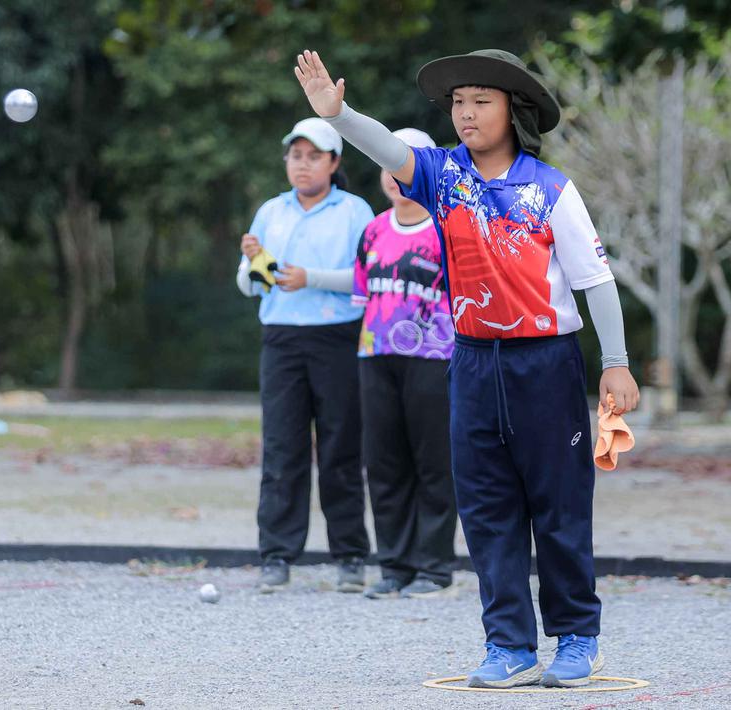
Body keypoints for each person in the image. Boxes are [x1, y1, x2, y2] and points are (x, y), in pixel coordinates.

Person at [294, 49, 640, 687]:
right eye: (458, 102)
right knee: (485, 507)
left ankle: (577, 638)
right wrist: (338, 116)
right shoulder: (441, 174)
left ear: (514, 110)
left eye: (481, 100)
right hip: (473, 363)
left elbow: (597, 281)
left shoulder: (552, 188)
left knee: (559, 506)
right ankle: (508, 644)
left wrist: (615, 364)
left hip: (547, 364)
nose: (466, 113)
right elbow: (388, 153)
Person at [236, 118, 375, 593]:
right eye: (296, 155)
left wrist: (310, 277)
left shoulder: (355, 211)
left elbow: (366, 278)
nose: (303, 164)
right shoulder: (271, 212)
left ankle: (351, 555)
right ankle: (276, 555)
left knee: (341, 448)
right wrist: (256, 260)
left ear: (334, 163)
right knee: (281, 449)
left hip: (336, 337)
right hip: (281, 339)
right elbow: (249, 284)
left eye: (314, 156)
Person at [352, 127, 458, 601]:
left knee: (434, 463)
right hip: (376, 356)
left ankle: (435, 569)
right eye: (388, 165)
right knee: (384, 463)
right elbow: (362, 295)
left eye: (405, 164)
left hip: (434, 359)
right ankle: (394, 566)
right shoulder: (373, 229)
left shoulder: (447, 226)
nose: (395, 176)